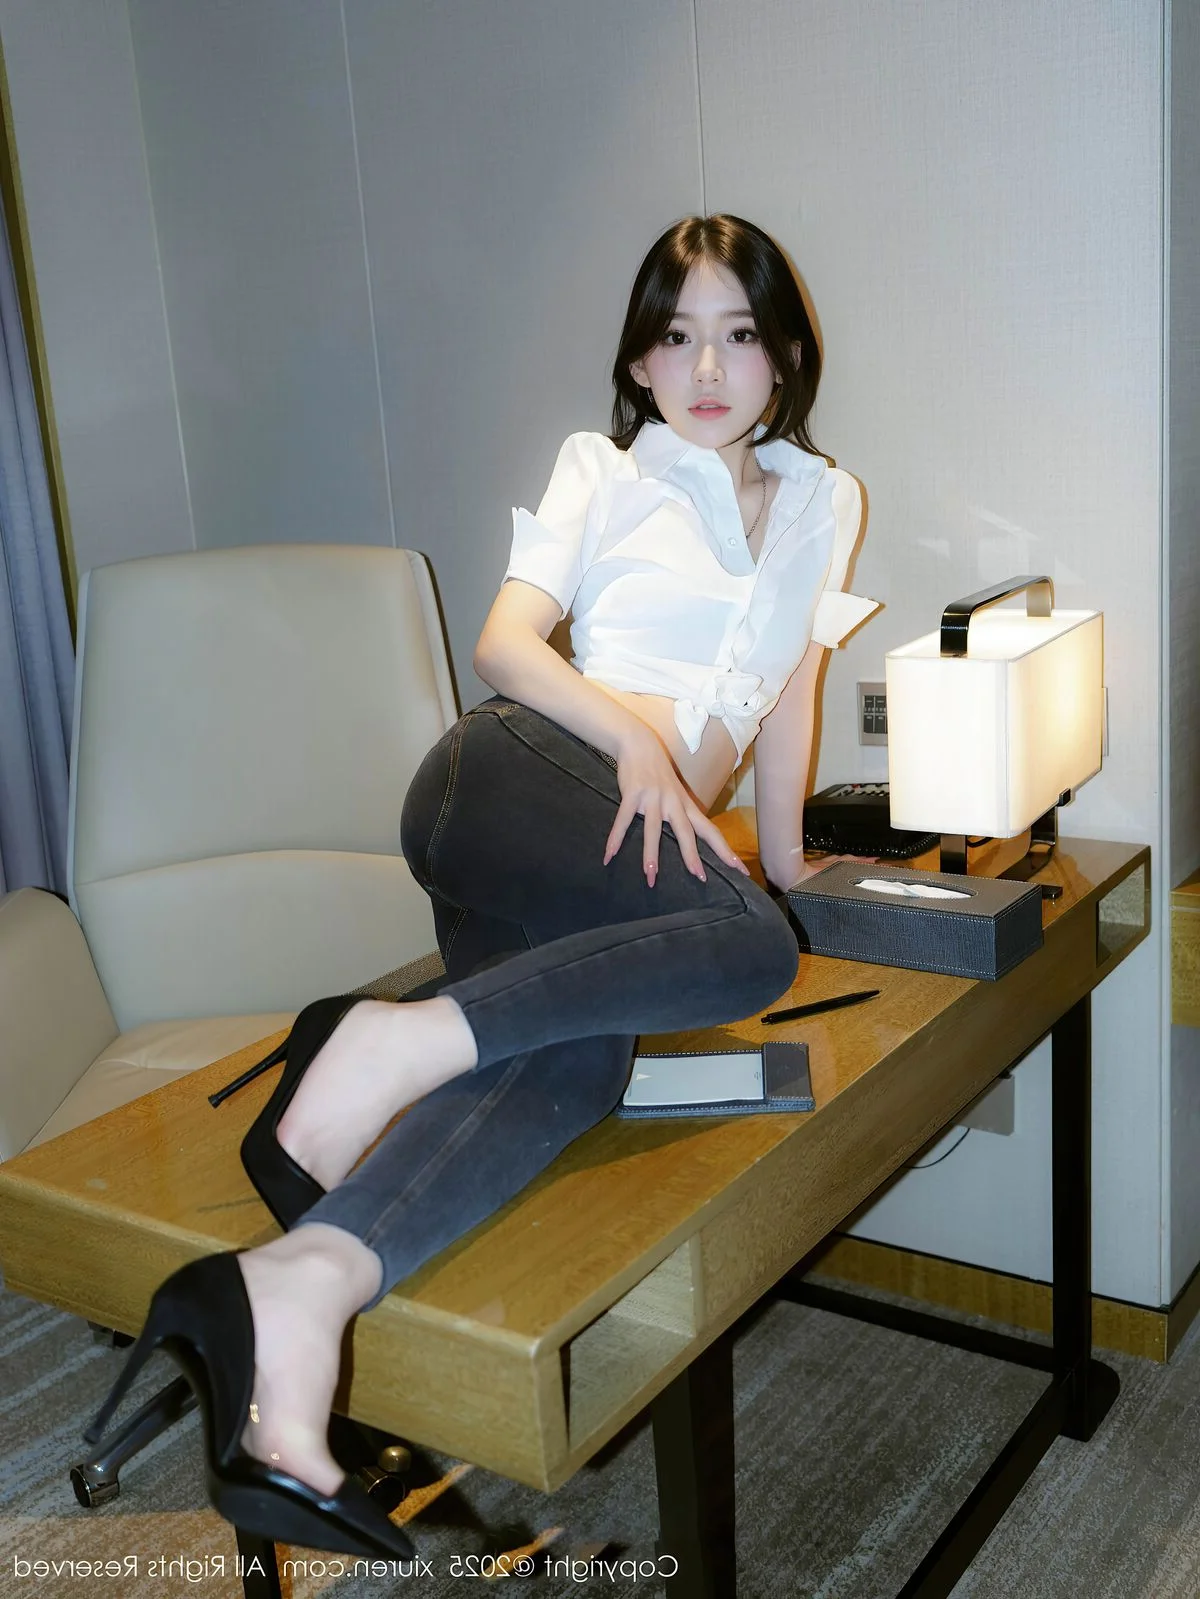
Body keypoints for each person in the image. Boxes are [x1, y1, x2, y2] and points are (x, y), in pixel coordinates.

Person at [85, 214, 877, 1556]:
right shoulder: (601, 471)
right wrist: (636, 741)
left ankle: (294, 1292)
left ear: (784, 355)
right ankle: (385, 1041)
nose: (707, 367)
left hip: (612, 855)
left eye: (739, 334)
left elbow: (794, 685)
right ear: (638, 363)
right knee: (754, 952)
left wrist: (792, 862)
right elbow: (507, 645)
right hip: (510, 778)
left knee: (579, 1064)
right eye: (676, 336)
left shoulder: (824, 501)